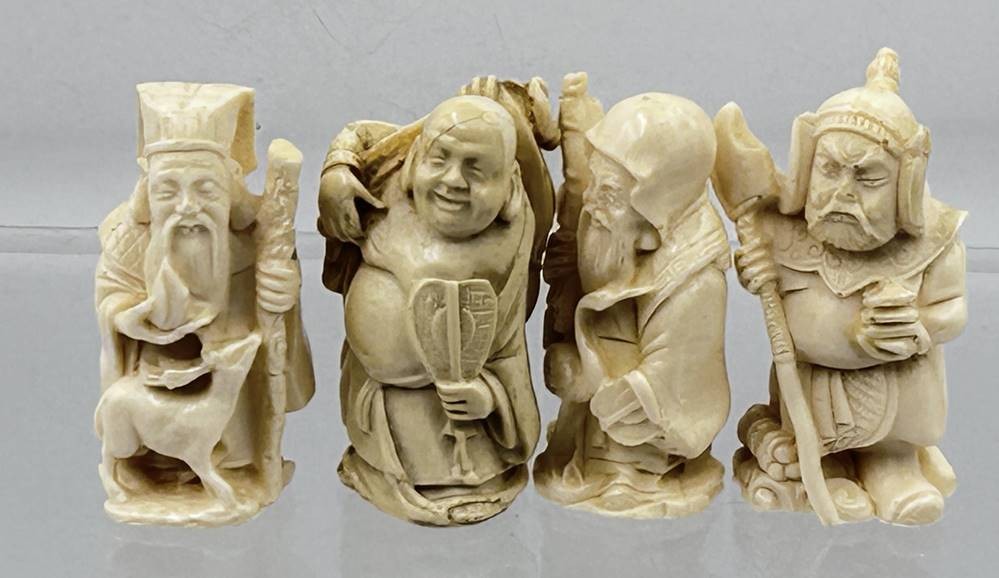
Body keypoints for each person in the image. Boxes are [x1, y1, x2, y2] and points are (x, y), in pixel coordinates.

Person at [724, 49, 967, 525]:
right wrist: (751, 270)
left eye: (868, 177)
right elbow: (763, 276)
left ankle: (892, 468)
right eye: (830, 170)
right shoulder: (784, 231)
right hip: (811, 384)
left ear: (905, 184)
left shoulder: (935, 241)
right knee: (807, 436)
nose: (843, 193)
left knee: (896, 438)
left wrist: (918, 324)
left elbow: (953, 310)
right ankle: (821, 465)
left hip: (897, 384)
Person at [318, 90, 553, 525]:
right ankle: (383, 473)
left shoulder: (507, 246)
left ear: (510, 187)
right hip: (378, 410)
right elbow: (364, 137)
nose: (453, 181)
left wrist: (490, 399)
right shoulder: (384, 198)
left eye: (476, 170)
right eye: (438, 160)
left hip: (459, 423)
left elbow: (507, 354)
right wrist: (336, 169)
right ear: (412, 163)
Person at [95, 83, 314, 524]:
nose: (187, 207)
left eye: (205, 189)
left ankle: (238, 468)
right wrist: (129, 317)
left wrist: (283, 293)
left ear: (230, 189)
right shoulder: (128, 236)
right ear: (148, 191)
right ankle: (147, 468)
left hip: (231, 372)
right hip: (155, 371)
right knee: (146, 420)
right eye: (168, 191)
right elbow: (110, 294)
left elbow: (276, 317)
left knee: (227, 415)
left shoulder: (257, 238)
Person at [534, 73, 732, 518]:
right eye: (598, 181)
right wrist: (576, 123)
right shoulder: (608, 216)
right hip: (585, 412)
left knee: (635, 428)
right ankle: (583, 450)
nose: (594, 200)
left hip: (640, 433)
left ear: (655, 206)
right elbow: (579, 199)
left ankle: (631, 474)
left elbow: (674, 382)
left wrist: (588, 379)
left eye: (610, 191)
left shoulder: (691, 278)